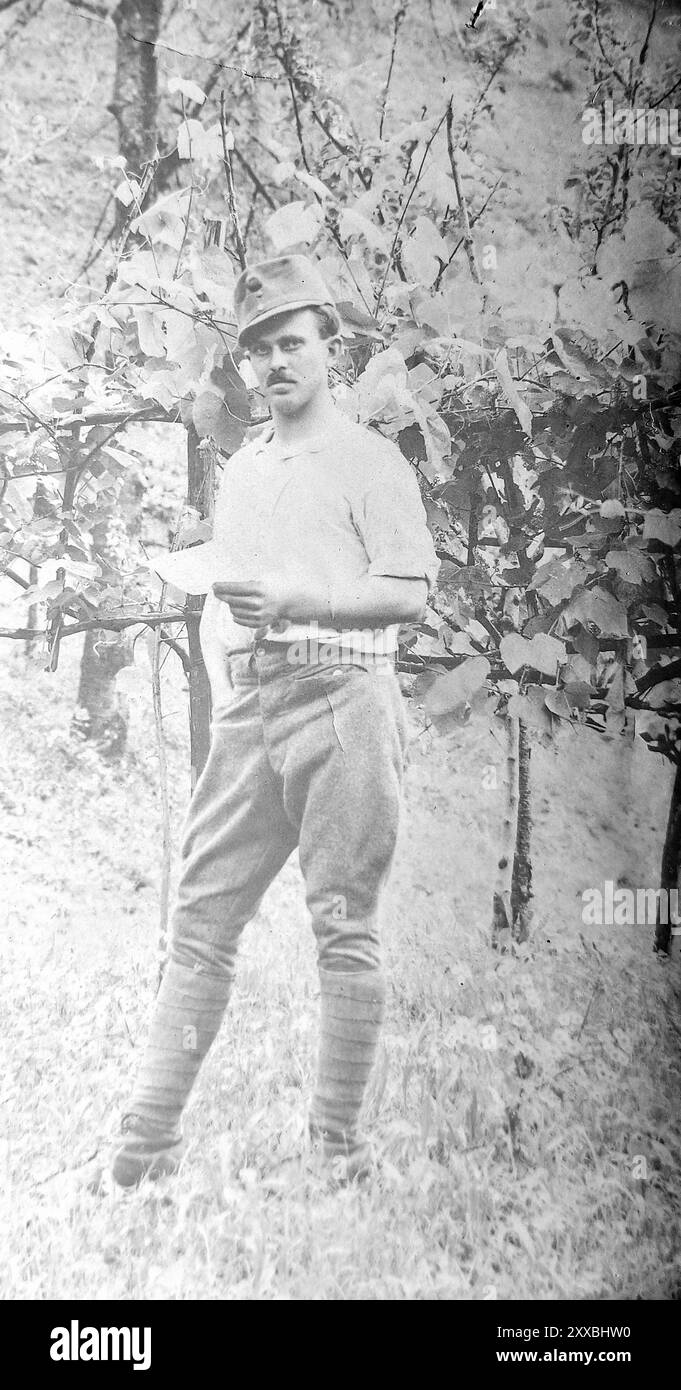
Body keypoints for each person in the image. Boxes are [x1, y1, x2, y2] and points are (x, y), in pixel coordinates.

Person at [111, 254, 439, 1187]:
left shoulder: (370, 462)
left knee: (342, 921)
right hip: (252, 708)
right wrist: (227, 678)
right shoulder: (245, 468)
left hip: (344, 697)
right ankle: (145, 1141)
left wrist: (304, 593)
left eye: (291, 344)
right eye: (257, 353)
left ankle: (335, 1152)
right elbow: (231, 590)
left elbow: (409, 593)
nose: (273, 366)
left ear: (331, 350)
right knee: (200, 917)